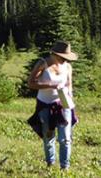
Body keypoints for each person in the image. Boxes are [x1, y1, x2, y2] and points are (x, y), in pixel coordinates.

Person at [27, 41, 78, 170]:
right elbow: (31, 83)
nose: (65, 60)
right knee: (48, 137)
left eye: (67, 58)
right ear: (55, 54)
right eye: (63, 57)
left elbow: (69, 85)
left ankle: (64, 167)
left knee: (65, 139)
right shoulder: (42, 64)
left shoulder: (67, 66)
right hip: (45, 105)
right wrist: (50, 85)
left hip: (63, 105)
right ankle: (50, 164)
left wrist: (70, 101)